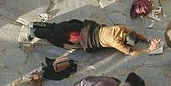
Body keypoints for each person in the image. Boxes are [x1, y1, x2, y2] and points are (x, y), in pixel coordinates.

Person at [29, 19, 162, 55]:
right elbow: (131, 52)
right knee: (58, 38)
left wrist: (148, 40)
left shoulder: (121, 28)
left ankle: (38, 24)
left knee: (60, 27)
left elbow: (136, 34)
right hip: (83, 39)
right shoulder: (116, 42)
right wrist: (148, 50)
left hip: (85, 27)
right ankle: (36, 33)